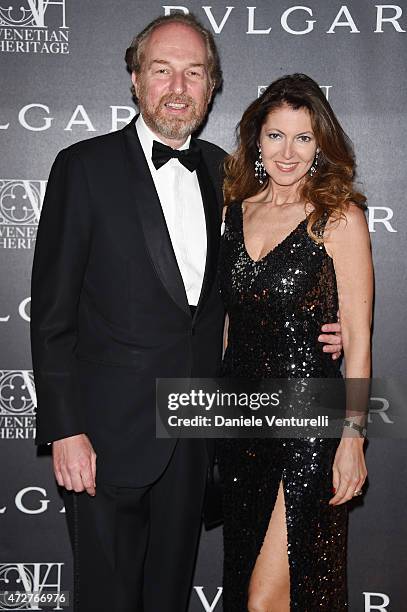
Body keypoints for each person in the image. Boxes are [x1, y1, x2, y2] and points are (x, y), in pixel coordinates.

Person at [30, 12, 343, 612]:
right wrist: (65, 429)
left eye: (193, 72)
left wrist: (329, 325)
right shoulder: (83, 167)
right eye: (162, 70)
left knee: (169, 597)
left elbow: (261, 275)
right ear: (135, 79)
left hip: (196, 439)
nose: (178, 87)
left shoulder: (222, 173)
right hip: (105, 440)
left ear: (212, 85)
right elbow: (51, 315)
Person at [217, 73, 373, 611]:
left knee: (271, 596)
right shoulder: (231, 214)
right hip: (240, 421)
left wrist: (352, 440)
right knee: (249, 592)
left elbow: (357, 338)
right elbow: (225, 327)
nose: (288, 152)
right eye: (276, 135)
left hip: (309, 424)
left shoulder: (340, 218)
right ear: (256, 140)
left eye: (303, 137)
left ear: (320, 145)